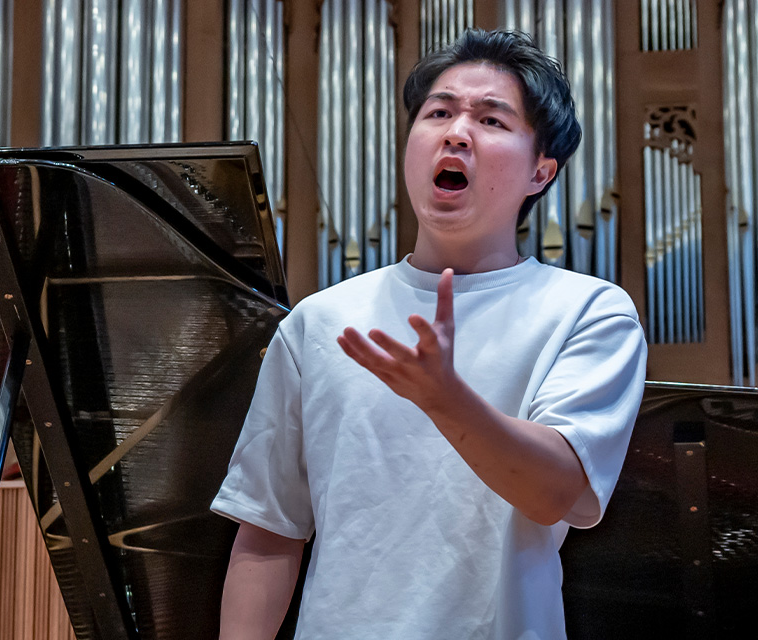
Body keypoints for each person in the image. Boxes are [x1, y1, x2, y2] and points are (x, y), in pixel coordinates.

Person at [212, 28, 647, 639]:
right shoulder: (320, 320)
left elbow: (557, 493)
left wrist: (446, 399)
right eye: (438, 113)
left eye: (491, 120)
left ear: (540, 172)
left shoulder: (588, 311)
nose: (457, 132)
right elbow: (267, 534)